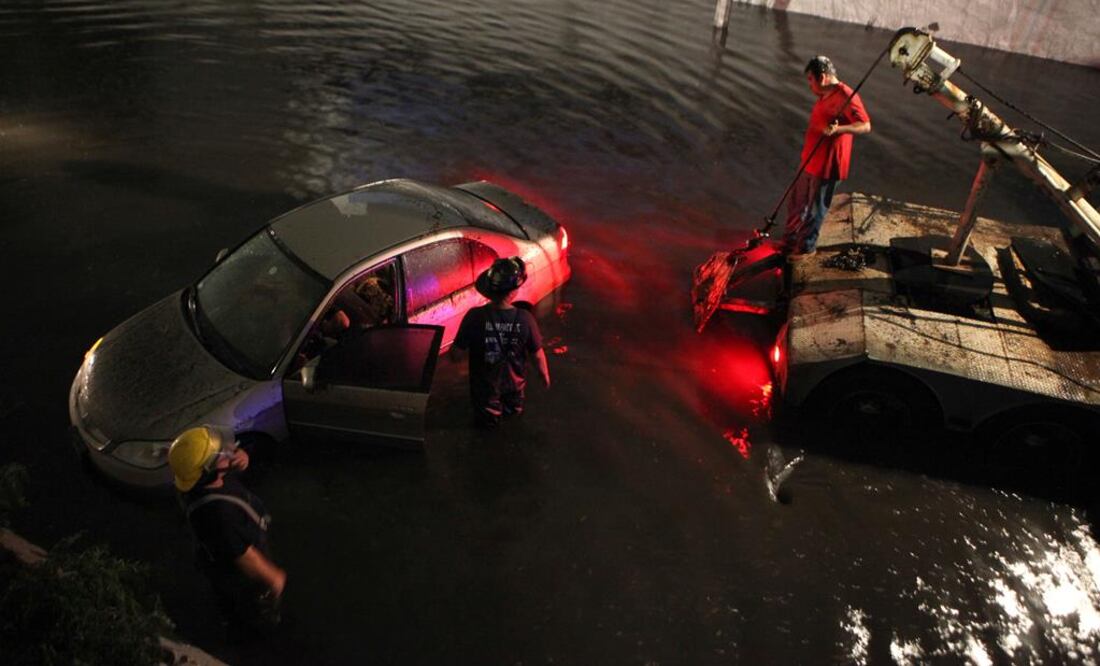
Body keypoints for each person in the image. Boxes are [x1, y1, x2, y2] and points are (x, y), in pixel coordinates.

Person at [168, 426, 287, 636]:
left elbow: (223, 469)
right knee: (249, 614)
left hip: (229, 550)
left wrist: (241, 460)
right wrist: (273, 577)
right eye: (221, 455)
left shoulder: (200, 482)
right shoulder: (216, 515)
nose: (229, 452)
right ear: (209, 471)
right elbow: (245, 557)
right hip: (238, 579)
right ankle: (249, 636)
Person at [784, 55, 872, 260]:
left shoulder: (847, 96)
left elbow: (865, 125)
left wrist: (839, 129)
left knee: (815, 210)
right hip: (809, 160)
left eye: (810, 80)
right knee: (797, 203)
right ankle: (789, 241)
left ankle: (805, 249)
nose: (809, 85)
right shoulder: (824, 95)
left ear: (822, 77)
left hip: (827, 166)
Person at [451, 257, 551, 427]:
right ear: (514, 291)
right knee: (513, 426)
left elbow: (456, 354)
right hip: (514, 391)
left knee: (486, 429)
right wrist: (544, 376)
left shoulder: (474, 317)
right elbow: (538, 355)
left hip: (484, 393)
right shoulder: (525, 319)